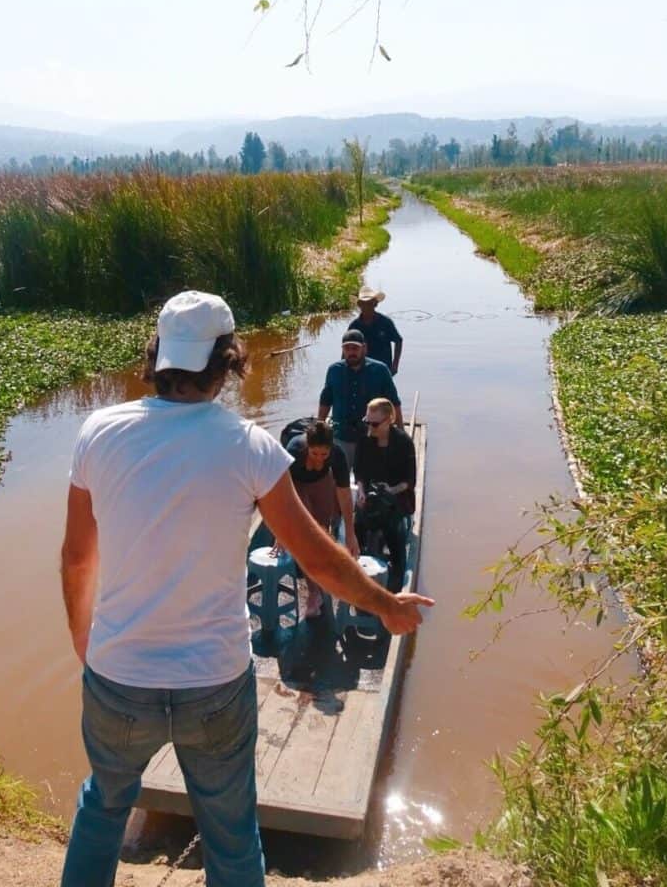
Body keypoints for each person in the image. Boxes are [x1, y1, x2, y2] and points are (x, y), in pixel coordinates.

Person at [59, 290, 433, 887]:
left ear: (159, 355)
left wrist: (86, 640)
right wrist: (386, 605)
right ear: (228, 360)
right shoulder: (250, 447)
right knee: (232, 836)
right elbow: (319, 559)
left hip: (117, 674)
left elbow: (78, 557)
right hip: (213, 682)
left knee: (102, 808)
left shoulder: (98, 432)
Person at [283, 420, 360, 618]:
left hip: (321, 481)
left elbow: (344, 495)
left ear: (330, 449)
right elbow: (283, 494)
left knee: (323, 528)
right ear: (307, 447)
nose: (319, 459)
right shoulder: (293, 451)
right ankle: (313, 594)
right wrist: (280, 532)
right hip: (296, 485)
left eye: (324, 454)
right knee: (307, 536)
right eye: (314, 453)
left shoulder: (337, 455)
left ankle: (323, 572)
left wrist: (350, 534)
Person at [353, 398, 416, 593]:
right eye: (367, 422)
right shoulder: (364, 439)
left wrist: (390, 491)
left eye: (374, 423)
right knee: (357, 523)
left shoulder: (404, 443)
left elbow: (409, 481)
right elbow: (359, 471)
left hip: (396, 494)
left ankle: (396, 577)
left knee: (392, 528)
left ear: (389, 420)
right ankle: (357, 565)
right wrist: (362, 491)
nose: (370, 427)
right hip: (371, 493)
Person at [318, 329, 402, 470]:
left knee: (372, 479)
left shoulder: (380, 370)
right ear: (342, 350)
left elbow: (394, 402)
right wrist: (320, 427)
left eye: (355, 348)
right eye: (347, 348)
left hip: (372, 437)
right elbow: (326, 400)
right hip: (342, 435)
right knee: (339, 478)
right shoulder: (334, 370)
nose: (351, 352)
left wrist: (400, 432)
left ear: (364, 348)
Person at [348, 287, 403, 375]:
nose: (367, 306)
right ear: (359, 305)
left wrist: (395, 365)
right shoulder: (354, 326)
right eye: (364, 304)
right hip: (362, 370)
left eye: (370, 303)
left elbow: (398, 341)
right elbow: (347, 348)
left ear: (375, 304)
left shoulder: (385, 322)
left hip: (384, 370)